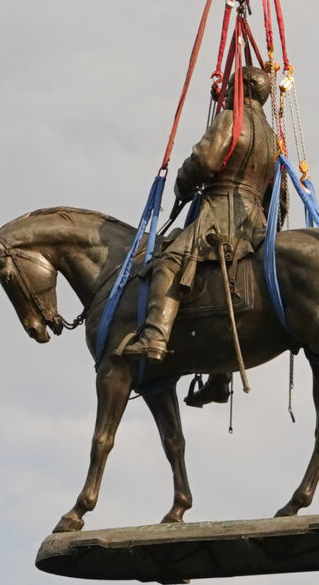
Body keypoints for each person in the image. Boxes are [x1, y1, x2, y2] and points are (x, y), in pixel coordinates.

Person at [115, 62, 283, 361]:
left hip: (220, 212)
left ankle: (154, 337)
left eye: (231, 87)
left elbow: (205, 162)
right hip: (256, 219)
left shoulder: (231, 119)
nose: (227, 93)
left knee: (170, 262)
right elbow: (278, 192)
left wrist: (182, 184)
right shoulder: (272, 137)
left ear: (240, 88)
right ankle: (219, 378)